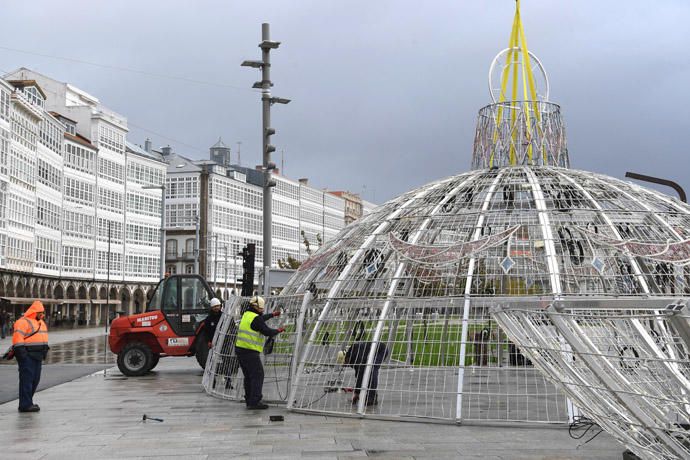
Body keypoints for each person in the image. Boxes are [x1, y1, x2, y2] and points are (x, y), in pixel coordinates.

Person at [234, 296, 283, 409]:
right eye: (261, 308)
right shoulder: (256, 319)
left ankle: (249, 400)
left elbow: (260, 319)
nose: (262, 310)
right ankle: (255, 401)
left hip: (240, 350)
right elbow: (267, 332)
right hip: (250, 351)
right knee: (258, 375)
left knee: (248, 376)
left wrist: (272, 315)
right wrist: (278, 330)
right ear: (256, 307)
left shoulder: (247, 315)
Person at [13, 301, 49, 413]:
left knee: (35, 380)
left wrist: (44, 351)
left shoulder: (41, 322)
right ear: (35, 312)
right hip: (27, 355)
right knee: (27, 380)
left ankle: (28, 402)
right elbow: (18, 339)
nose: (42, 314)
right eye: (41, 312)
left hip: (38, 356)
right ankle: (25, 404)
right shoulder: (22, 322)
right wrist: (22, 355)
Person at [341, 341, 389, 407]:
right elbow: (358, 373)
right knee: (366, 370)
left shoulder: (356, 356)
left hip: (381, 350)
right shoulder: (353, 352)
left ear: (347, 358)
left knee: (372, 369)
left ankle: (372, 398)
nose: (346, 365)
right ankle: (370, 395)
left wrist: (357, 393)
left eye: (345, 364)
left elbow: (360, 374)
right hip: (373, 351)